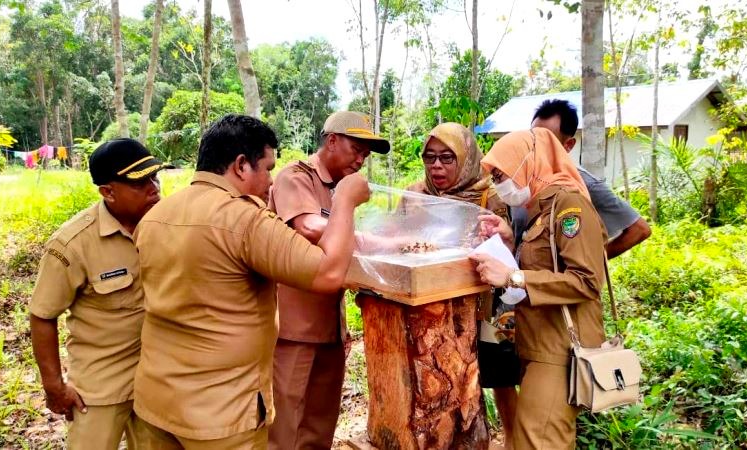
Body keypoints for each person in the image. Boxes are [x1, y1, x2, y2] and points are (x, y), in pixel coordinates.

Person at [132, 114, 370, 449]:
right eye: (268, 168)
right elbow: (329, 272)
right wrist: (345, 198)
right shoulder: (246, 221)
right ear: (242, 165)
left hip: (155, 402)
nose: (271, 181)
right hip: (221, 416)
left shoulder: (156, 216)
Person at [470, 128, 608, 450]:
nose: (498, 183)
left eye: (501, 174)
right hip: (539, 345)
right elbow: (546, 268)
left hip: (559, 351)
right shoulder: (540, 210)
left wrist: (512, 277)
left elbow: (586, 280)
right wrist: (509, 242)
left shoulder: (569, 206)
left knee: (537, 442)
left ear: (528, 163)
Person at [29, 138, 170, 449]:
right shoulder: (72, 244)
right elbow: (42, 315)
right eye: (139, 183)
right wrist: (54, 386)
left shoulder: (167, 228)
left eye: (154, 177)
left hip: (157, 379)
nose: (154, 188)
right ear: (107, 192)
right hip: (100, 386)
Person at [267, 111, 390, 450]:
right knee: (284, 425)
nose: (361, 160)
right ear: (332, 141)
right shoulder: (296, 177)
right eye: (356, 149)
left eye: (366, 154)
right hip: (293, 330)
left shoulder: (340, 188)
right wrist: (380, 243)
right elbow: (308, 226)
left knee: (320, 425)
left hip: (329, 328)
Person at [406, 122, 517, 449]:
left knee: (499, 377)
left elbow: (509, 250)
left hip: (488, 304)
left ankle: (512, 439)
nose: (436, 166)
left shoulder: (490, 196)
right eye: (429, 158)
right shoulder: (417, 195)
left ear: (466, 159)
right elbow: (402, 241)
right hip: (434, 306)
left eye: (446, 158)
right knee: (441, 376)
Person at [523, 99, 651, 258]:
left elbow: (639, 230)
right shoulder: (525, 176)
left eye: (547, 142)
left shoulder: (582, 182)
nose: (535, 147)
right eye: (533, 139)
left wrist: (593, 263)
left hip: (558, 282)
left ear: (568, 145)